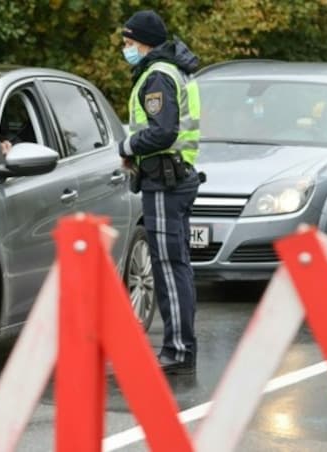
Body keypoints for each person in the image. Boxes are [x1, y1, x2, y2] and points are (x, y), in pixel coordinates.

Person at [117, 10, 202, 374]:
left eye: (128, 42)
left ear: (143, 41)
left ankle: (178, 349)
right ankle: (181, 345)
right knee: (178, 265)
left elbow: (163, 132)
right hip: (174, 178)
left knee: (167, 266)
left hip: (165, 182)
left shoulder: (157, 76)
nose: (125, 49)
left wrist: (128, 146)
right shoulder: (171, 71)